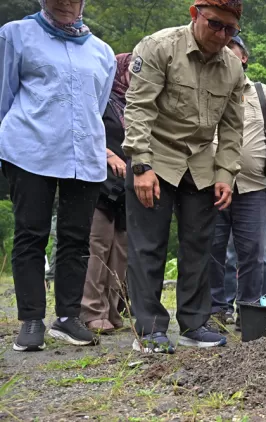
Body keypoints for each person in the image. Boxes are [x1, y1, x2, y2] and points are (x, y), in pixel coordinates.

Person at [123, 0, 245, 354]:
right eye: (215, 24)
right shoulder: (160, 47)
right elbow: (139, 108)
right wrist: (141, 166)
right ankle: (149, 329)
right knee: (148, 245)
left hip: (201, 164)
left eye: (230, 29)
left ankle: (194, 323)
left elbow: (233, 128)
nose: (221, 35)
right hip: (157, 157)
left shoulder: (234, 68)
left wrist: (225, 174)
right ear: (195, 14)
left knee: (200, 247)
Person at [0, 0, 116, 352]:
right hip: (30, 150)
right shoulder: (16, 35)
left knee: (76, 238)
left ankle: (68, 318)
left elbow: (97, 105)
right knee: (31, 232)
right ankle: (31, 319)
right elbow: (4, 96)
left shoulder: (101, 51)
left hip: (85, 155)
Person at [208, 35, 266, 330]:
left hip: (253, 186)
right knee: (213, 249)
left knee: (253, 252)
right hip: (212, 184)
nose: (227, 56)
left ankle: (248, 311)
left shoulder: (261, 92)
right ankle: (217, 310)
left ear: (244, 58)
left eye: (234, 51)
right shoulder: (208, 87)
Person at [80, 53, 132, 333]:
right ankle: (91, 310)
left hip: (126, 188)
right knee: (97, 246)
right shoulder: (100, 100)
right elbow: (86, 132)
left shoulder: (134, 105)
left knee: (120, 250)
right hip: (100, 182)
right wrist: (108, 154)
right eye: (131, 72)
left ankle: (112, 309)